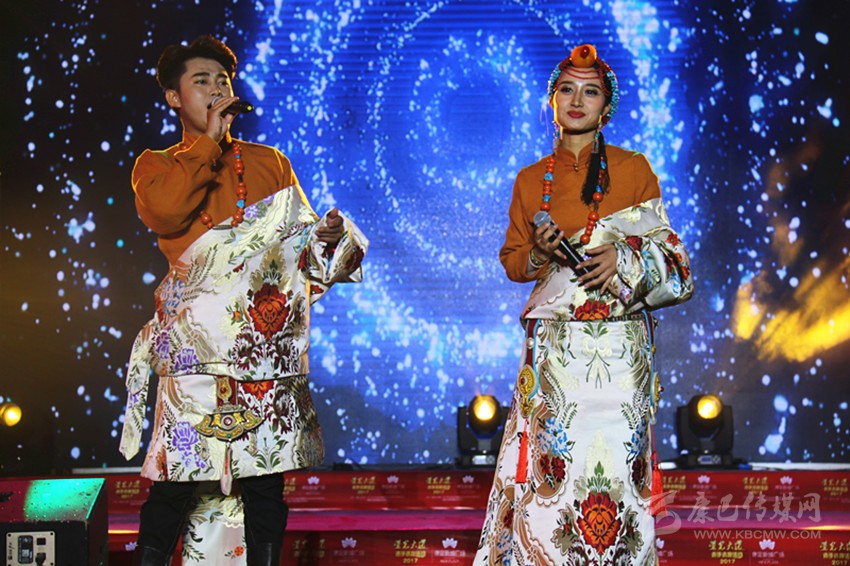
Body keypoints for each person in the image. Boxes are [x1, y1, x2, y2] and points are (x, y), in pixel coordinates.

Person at [118, 35, 368, 565]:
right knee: (175, 482)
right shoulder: (155, 165)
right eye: (201, 81)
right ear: (173, 97)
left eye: (223, 80)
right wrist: (209, 141)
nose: (216, 88)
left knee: (265, 483)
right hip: (194, 354)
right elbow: (164, 214)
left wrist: (325, 239)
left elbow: (300, 257)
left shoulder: (270, 163)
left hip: (262, 350)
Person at [474, 44, 694, 565]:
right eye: (567, 89)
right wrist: (541, 252)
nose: (577, 100)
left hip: (621, 353)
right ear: (551, 100)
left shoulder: (634, 169)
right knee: (552, 474)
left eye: (590, 91)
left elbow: (674, 261)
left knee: (617, 471)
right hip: (556, 354)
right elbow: (513, 262)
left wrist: (622, 257)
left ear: (606, 106)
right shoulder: (531, 179)